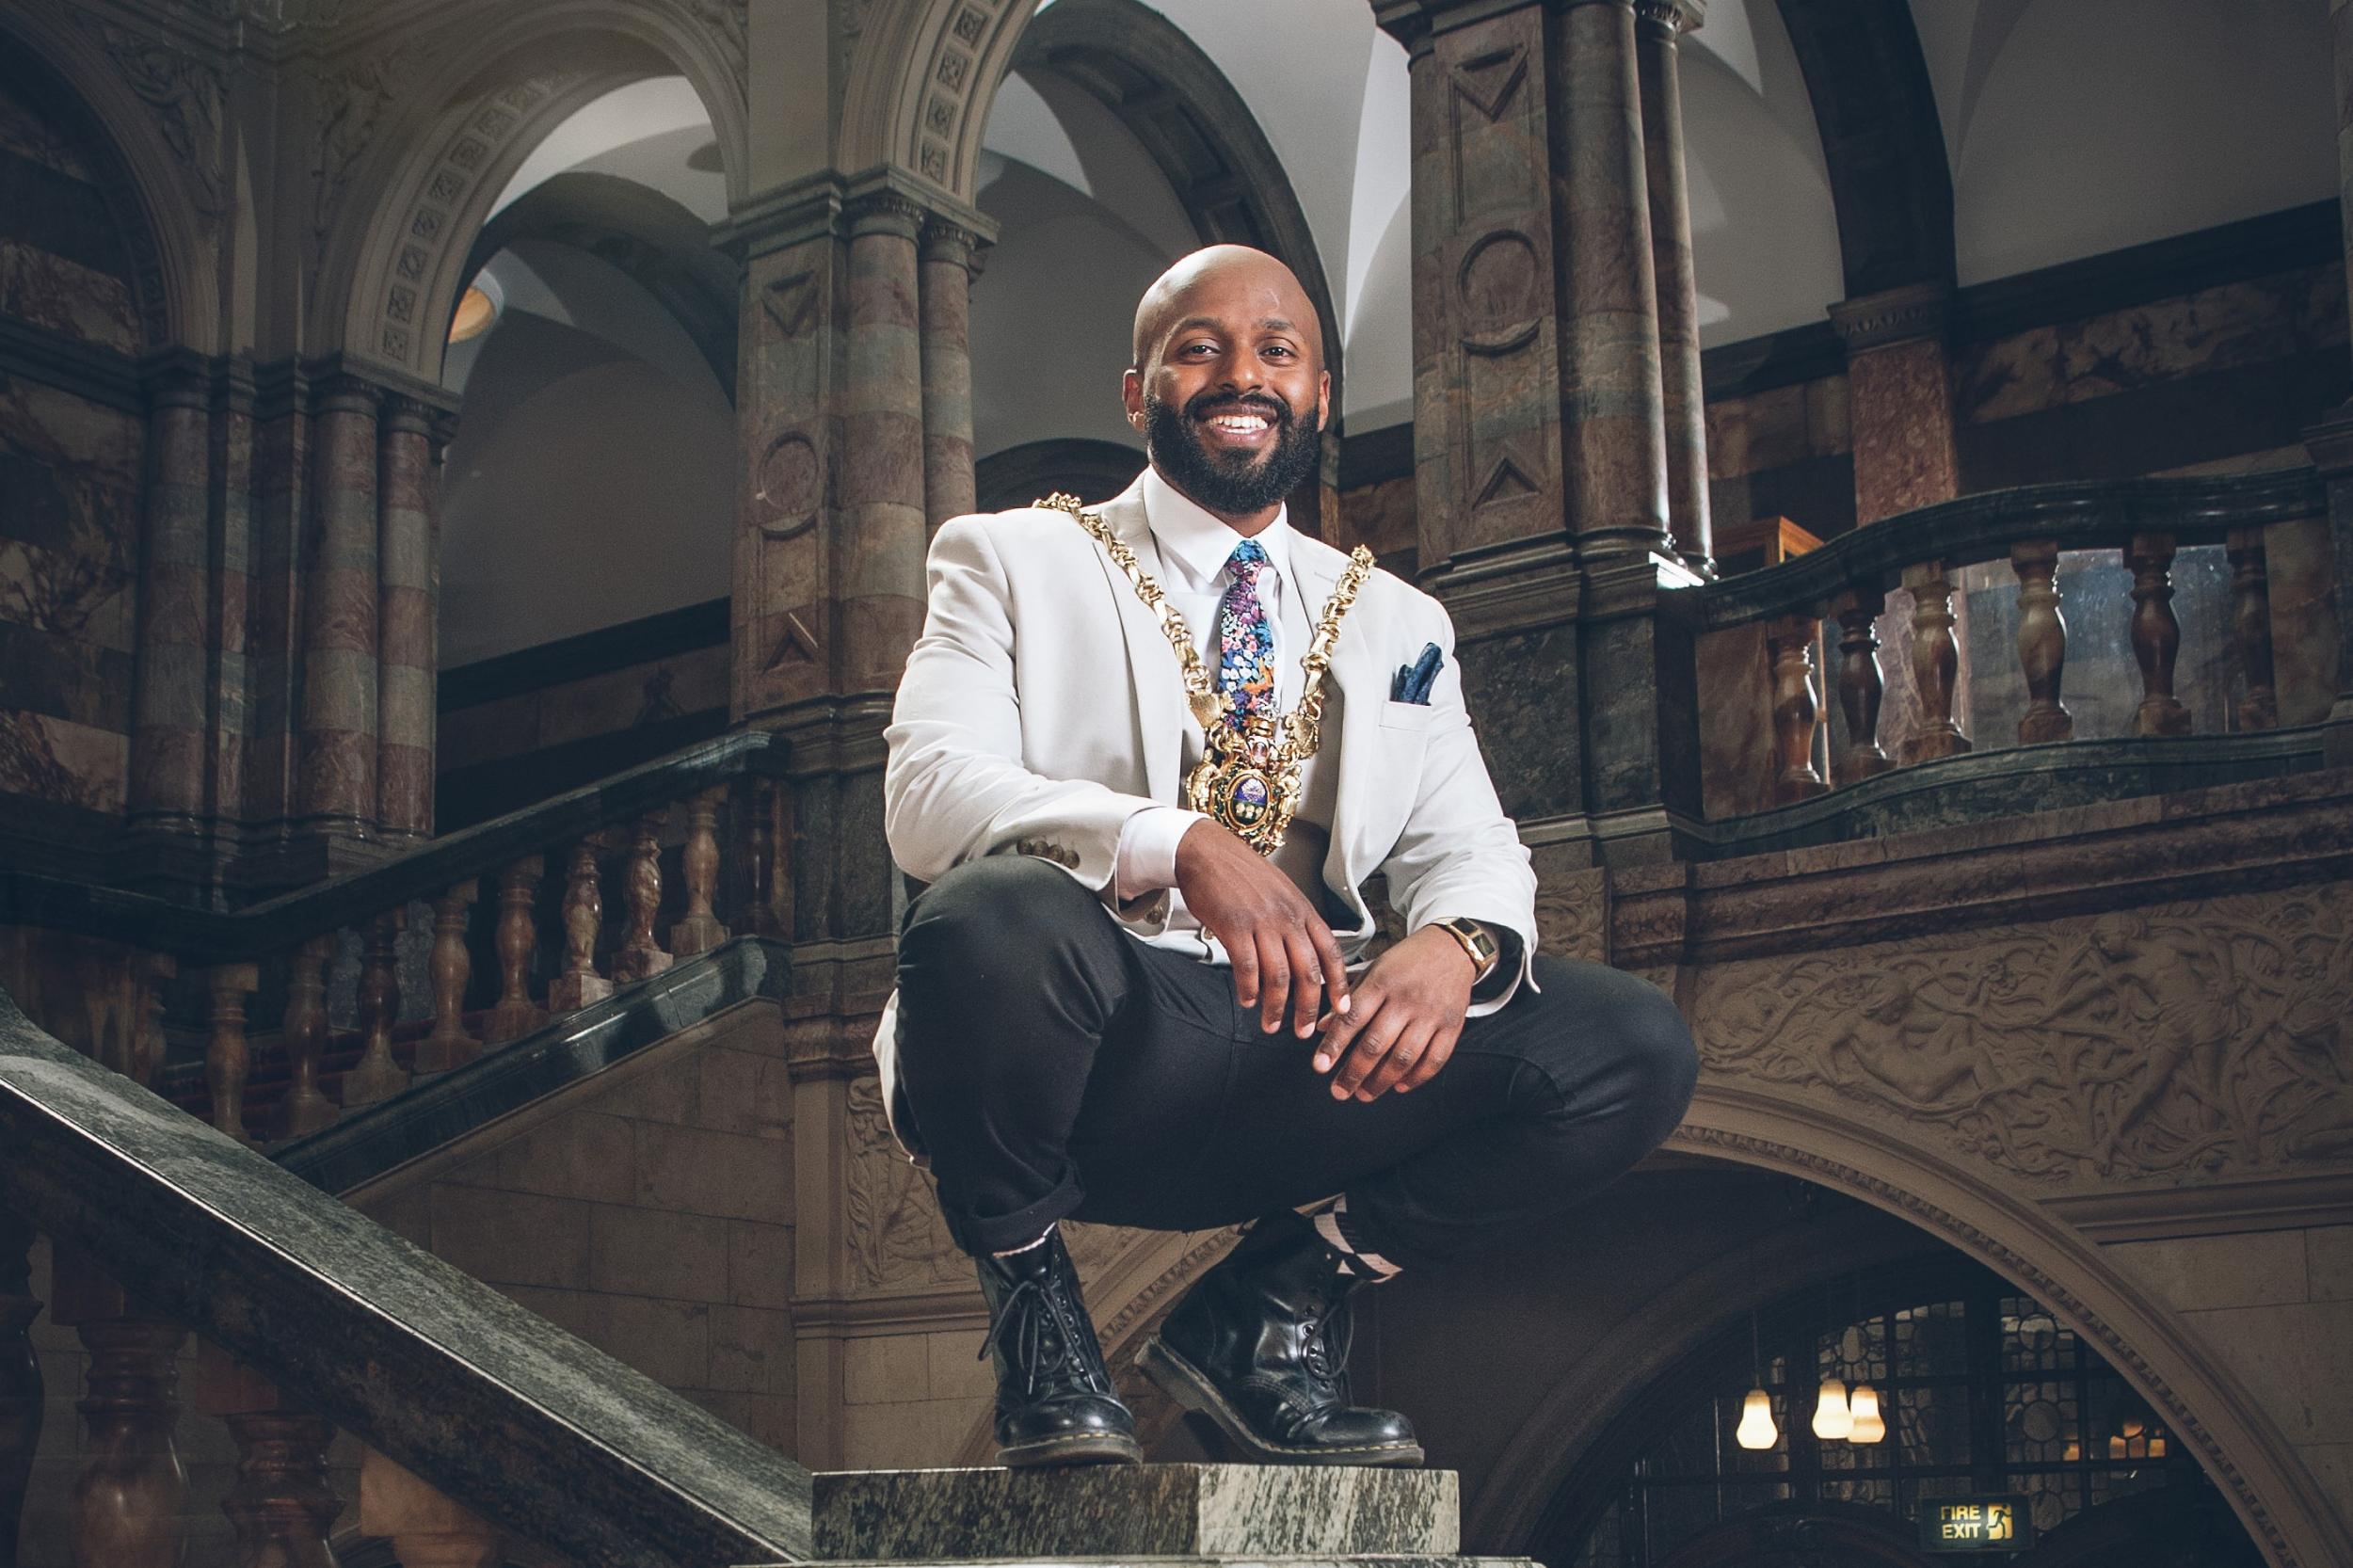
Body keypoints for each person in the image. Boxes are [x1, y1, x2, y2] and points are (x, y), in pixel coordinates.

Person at [875, 245, 1699, 1469]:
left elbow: (1471, 844)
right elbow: (927, 800)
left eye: (1276, 350)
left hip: (1305, 1054)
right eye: (1197, 346)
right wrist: (1174, 842)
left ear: (1317, 392)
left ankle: (1268, 1308)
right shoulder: (1009, 558)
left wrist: (1451, 945)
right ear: (1137, 387)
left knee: (1628, 1046)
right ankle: (1033, 1302)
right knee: (987, 913)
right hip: (1095, 1046)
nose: (1239, 374)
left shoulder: (1399, 620)